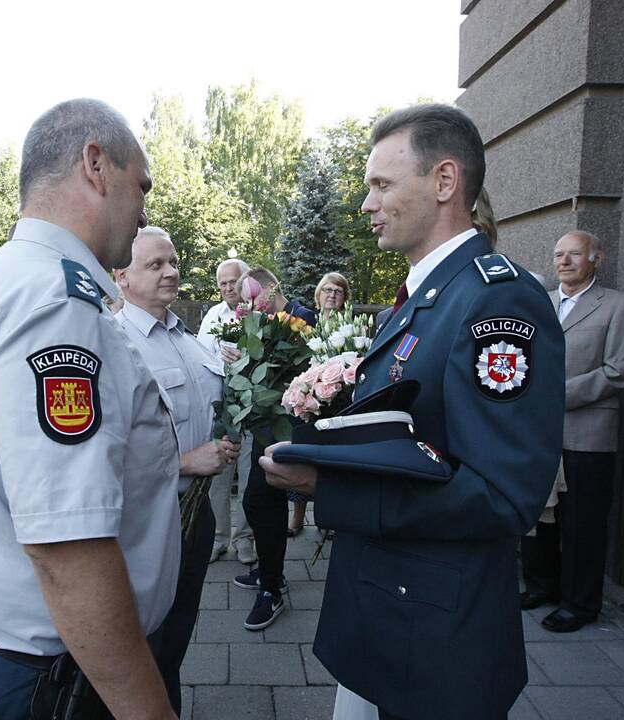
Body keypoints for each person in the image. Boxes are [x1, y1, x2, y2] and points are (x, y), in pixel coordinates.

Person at [260, 104, 565, 719]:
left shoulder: (494, 298)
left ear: (445, 182)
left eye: (381, 185)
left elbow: (504, 494)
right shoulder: (431, 294)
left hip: (435, 634)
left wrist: (330, 486)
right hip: (394, 610)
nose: (367, 204)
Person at [0, 98, 180, 720]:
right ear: (96, 165)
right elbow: (67, 544)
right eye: (140, 184)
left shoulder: (8, 279)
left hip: (12, 657)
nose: (144, 206)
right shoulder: (56, 302)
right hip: (53, 677)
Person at [113, 226, 238, 713]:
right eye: (155, 264)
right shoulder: (114, 345)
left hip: (195, 513)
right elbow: (105, 452)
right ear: (121, 276)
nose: (171, 272)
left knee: (176, 636)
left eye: (173, 261)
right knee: (145, 644)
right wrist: (184, 462)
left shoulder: (189, 339)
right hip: (147, 522)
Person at [521, 230, 624, 633]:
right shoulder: (542, 304)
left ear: (596, 258)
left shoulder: (619, 305)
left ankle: (580, 603)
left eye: (574, 254)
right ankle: (541, 586)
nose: (565, 262)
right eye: (559, 255)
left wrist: (555, 395)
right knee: (540, 515)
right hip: (540, 432)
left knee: (582, 523)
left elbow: (619, 370)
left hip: (587, 434)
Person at [232, 267, 315, 631]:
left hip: (286, 427)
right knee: (261, 501)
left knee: (260, 499)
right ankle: (271, 573)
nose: (251, 306)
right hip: (265, 425)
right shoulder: (266, 321)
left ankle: (272, 587)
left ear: (270, 287)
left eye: (253, 297)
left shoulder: (302, 319)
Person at [197, 258, 256, 564]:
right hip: (222, 408)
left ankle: (244, 538)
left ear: (246, 279)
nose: (228, 287)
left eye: (233, 281)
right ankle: (219, 537)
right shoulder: (212, 316)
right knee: (219, 475)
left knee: (248, 475)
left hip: (254, 407)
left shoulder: (261, 311)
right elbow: (200, 357)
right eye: (222, 283)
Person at [285, 271, 352, 537]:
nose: (332, 295)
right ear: (318, 295)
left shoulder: (351, 327)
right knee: (302, 458)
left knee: (330, 464)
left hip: (338, 404)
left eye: (337, 291)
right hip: (308, 402)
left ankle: (328, 519)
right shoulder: (306, 326)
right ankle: (297, 518)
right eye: (327, 290)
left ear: (344, 297)